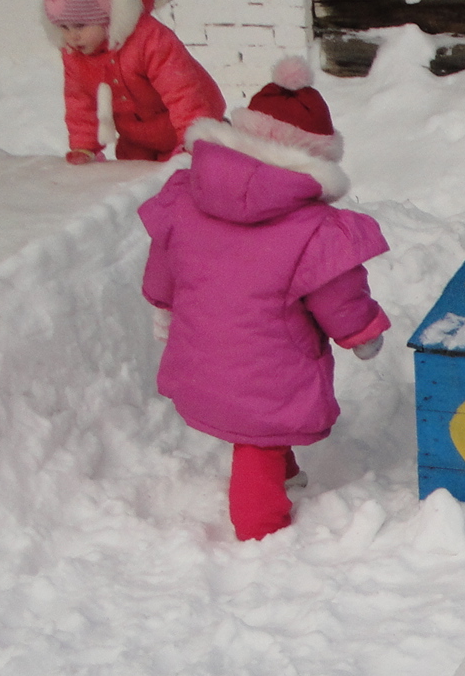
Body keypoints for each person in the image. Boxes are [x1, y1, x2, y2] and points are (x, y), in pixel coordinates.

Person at [138, 58, 390, 541]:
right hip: (270, 357)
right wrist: (362, 332)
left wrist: (163, 307)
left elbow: (164, 261)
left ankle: (287, 470)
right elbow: (338, 293)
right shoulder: (312, 229)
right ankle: (259, 529)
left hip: (203, 348)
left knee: (262, 425)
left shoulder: (188, 199)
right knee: (257, 436)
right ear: (315, 157)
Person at [41, 0, 224, 165]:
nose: (72, 37)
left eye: (80, 25)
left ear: (107, 15)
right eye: (63, 27)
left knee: (176, 179)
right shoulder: (74, 54)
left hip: (185, 125)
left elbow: (182, 92)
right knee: (132, 177)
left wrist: (193, 139)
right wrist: (83, 145)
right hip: (136, 136)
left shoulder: (149, 39)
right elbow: (79, 100)